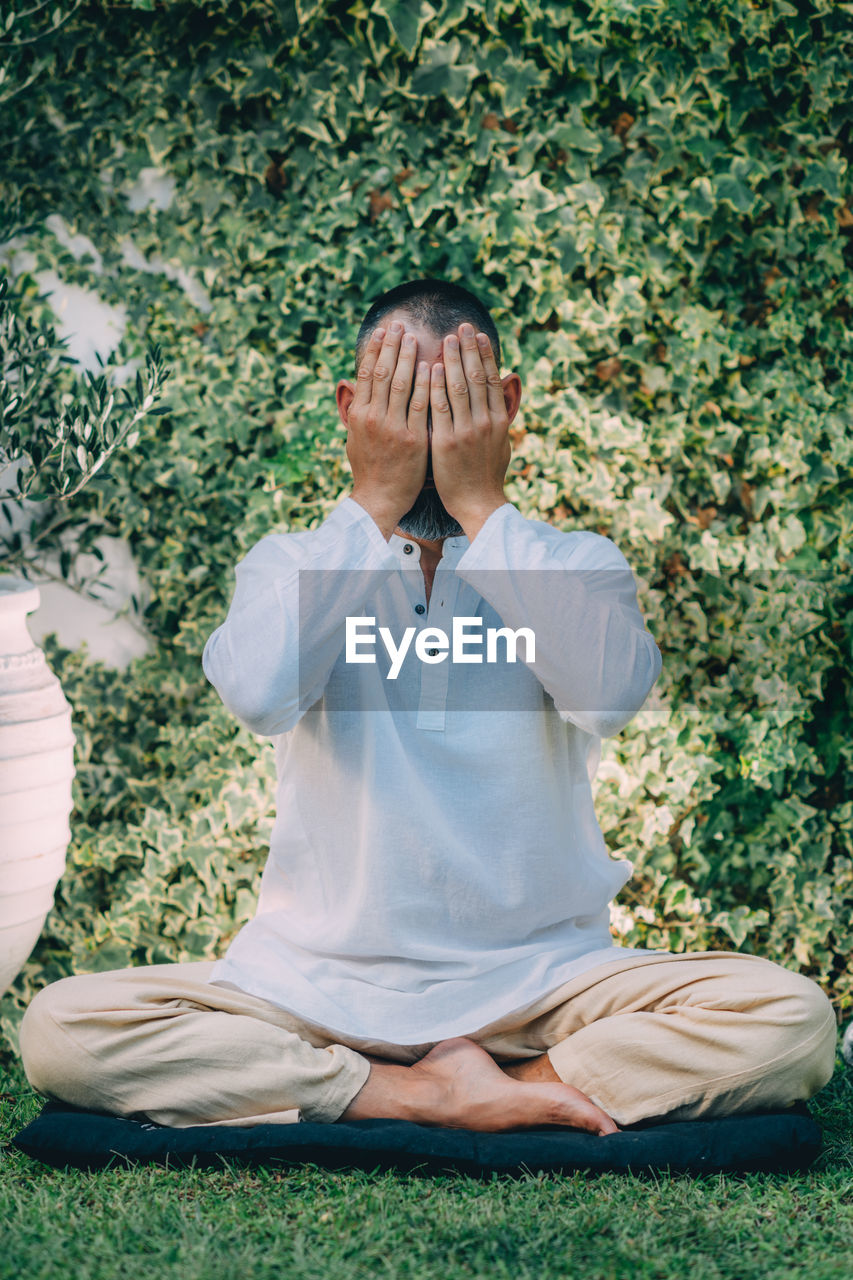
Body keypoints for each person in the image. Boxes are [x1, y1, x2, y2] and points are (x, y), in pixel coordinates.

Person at [19, 280, 836, 1137]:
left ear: (505, 406)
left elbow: (607, 696)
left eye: (452, 405)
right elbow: (259, 697)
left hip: (544, 983)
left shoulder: (572, 561)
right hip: (314, 984)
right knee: (65, 1030)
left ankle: (507, 1075)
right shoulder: (293, 561)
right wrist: (371, 502)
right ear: (351, 410)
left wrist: (482, 506)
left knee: (789, 1019)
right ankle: (424, 1093)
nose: (425, 435)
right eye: (400, 405)